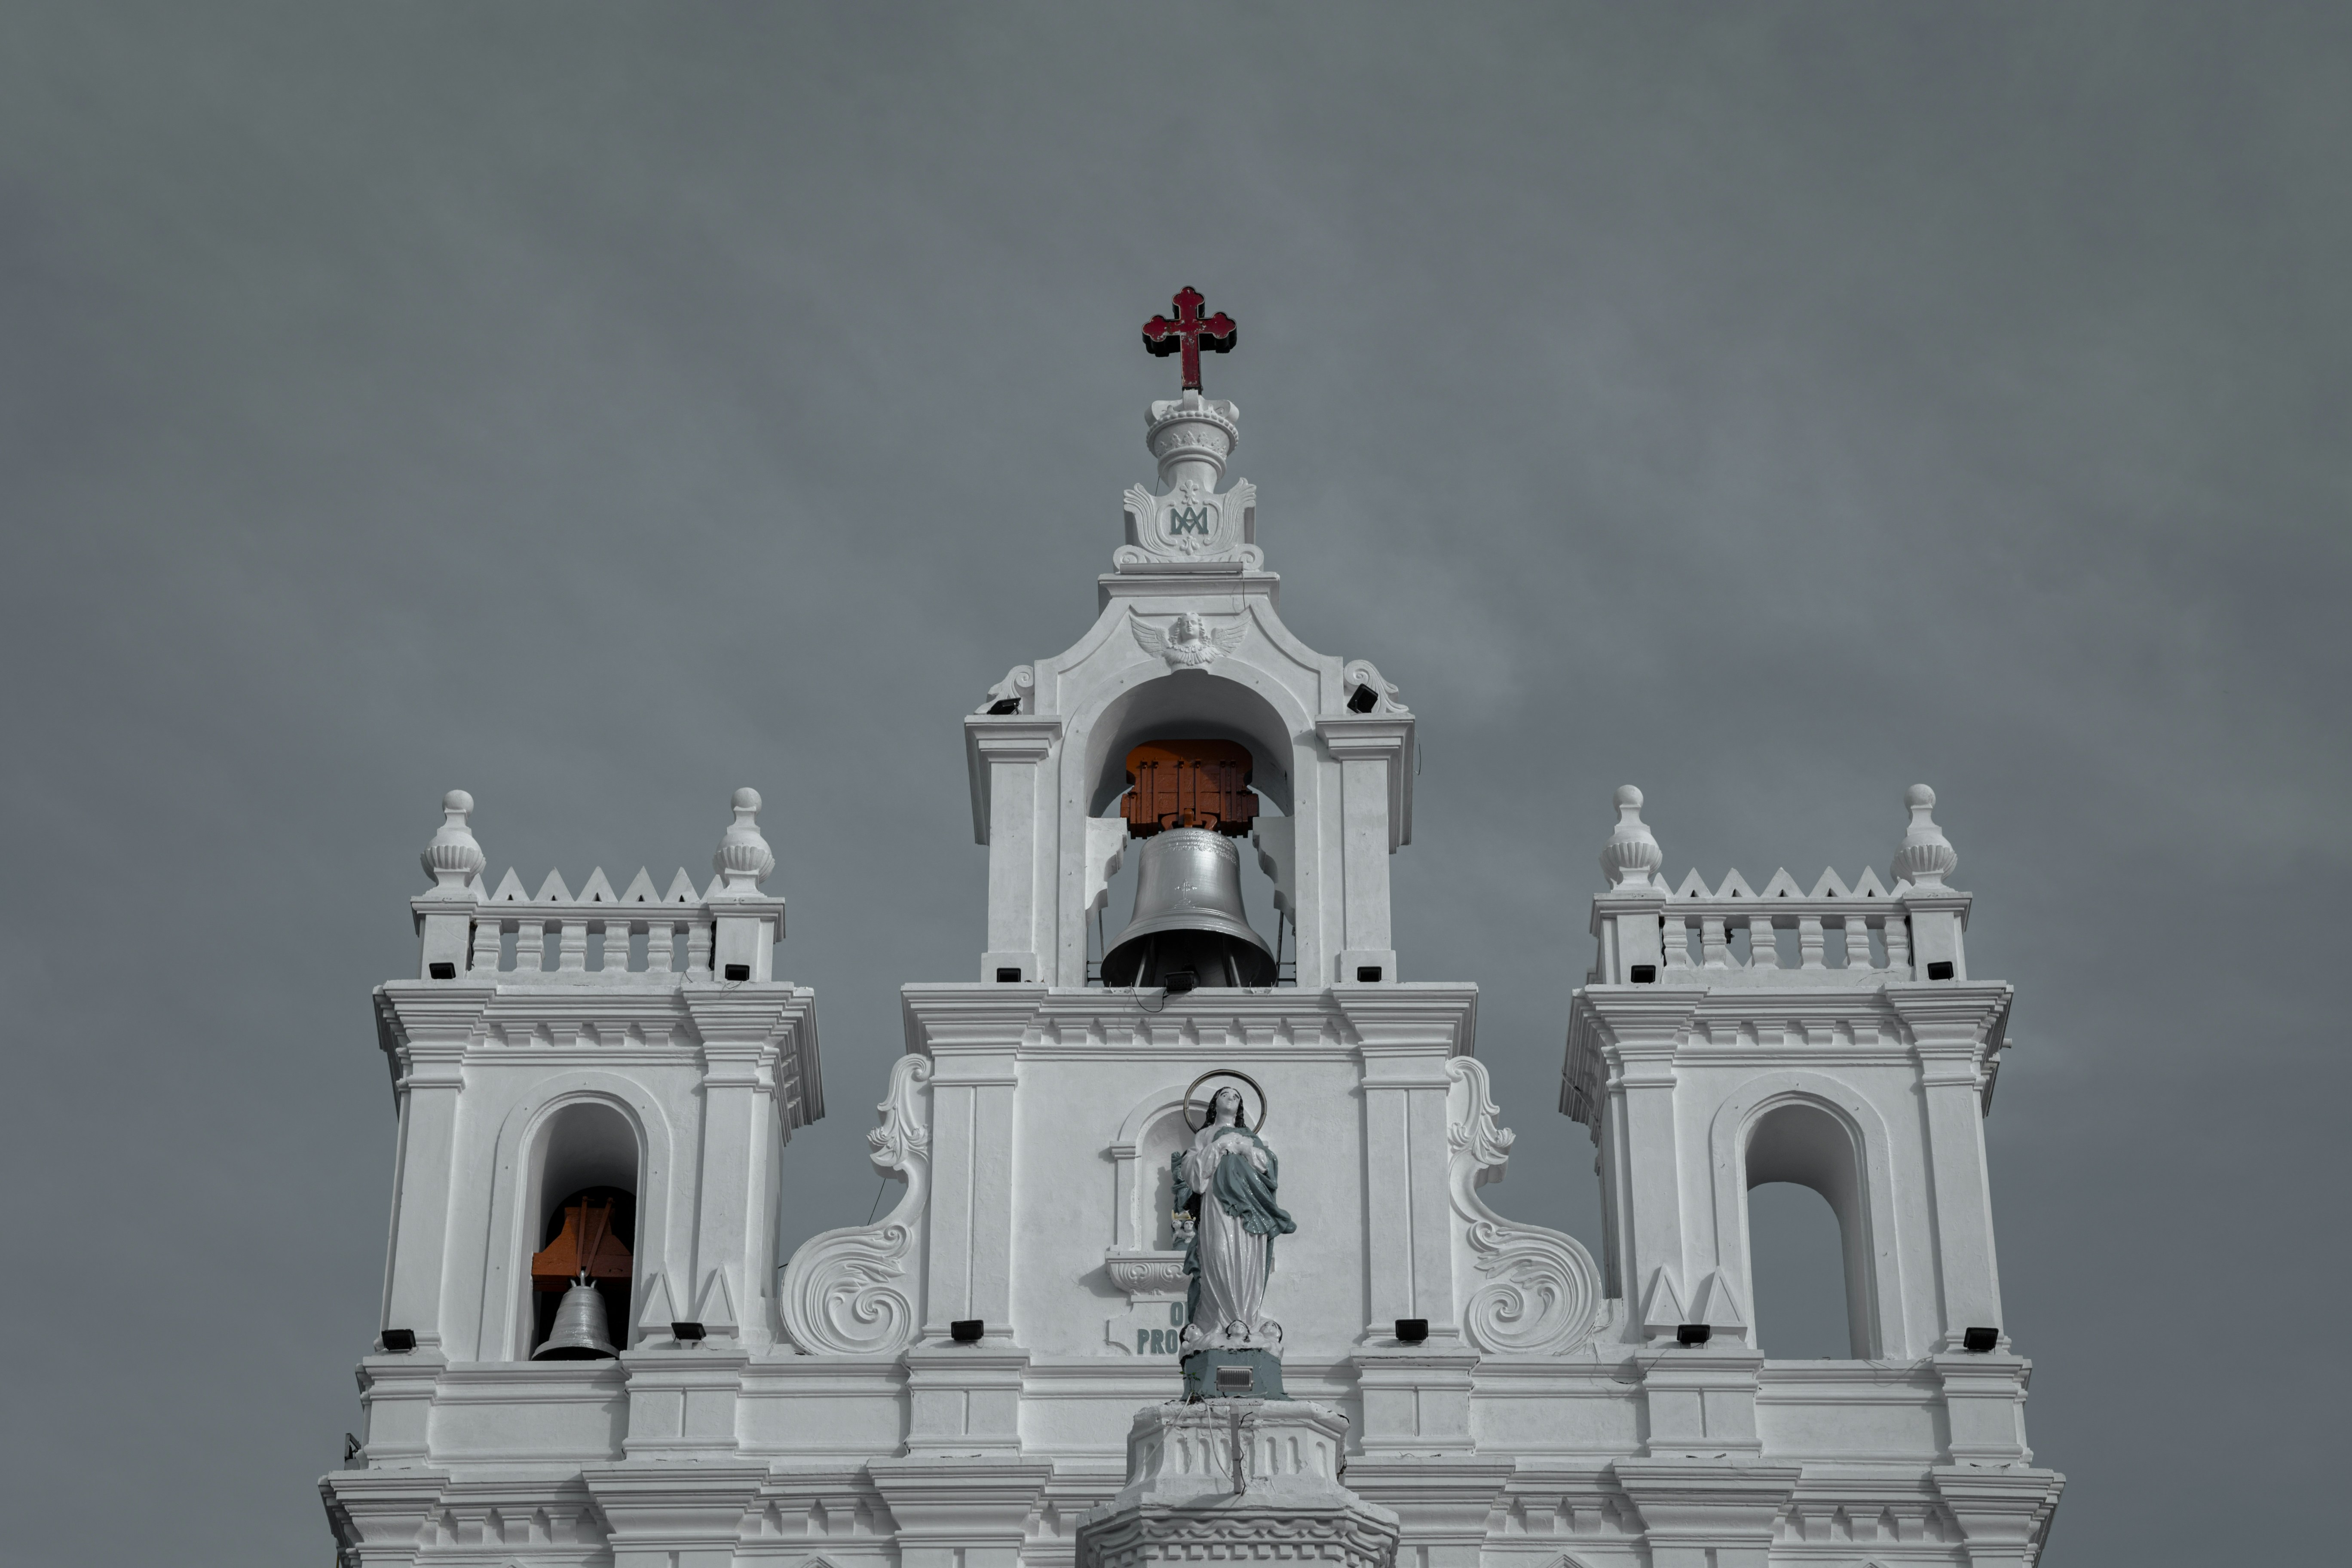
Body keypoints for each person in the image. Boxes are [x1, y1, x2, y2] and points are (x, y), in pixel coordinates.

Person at [1172, 1085, 1295, 1352]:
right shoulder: (1205, 1134)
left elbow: (1267, 1165)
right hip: (1217, 1203)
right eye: (1225, 1094)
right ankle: (1219, 1319)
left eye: (1237, 1096)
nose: (1232, 1098)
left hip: (1249, 1206)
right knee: (1218, 1251)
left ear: (1240, 1107)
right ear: (1215, 1103)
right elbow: (1191, 1171)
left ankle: (1245, 1321)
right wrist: (1219, 1146)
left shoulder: (1250, 1136)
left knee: (1246, 1257)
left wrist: (1248, 1149)